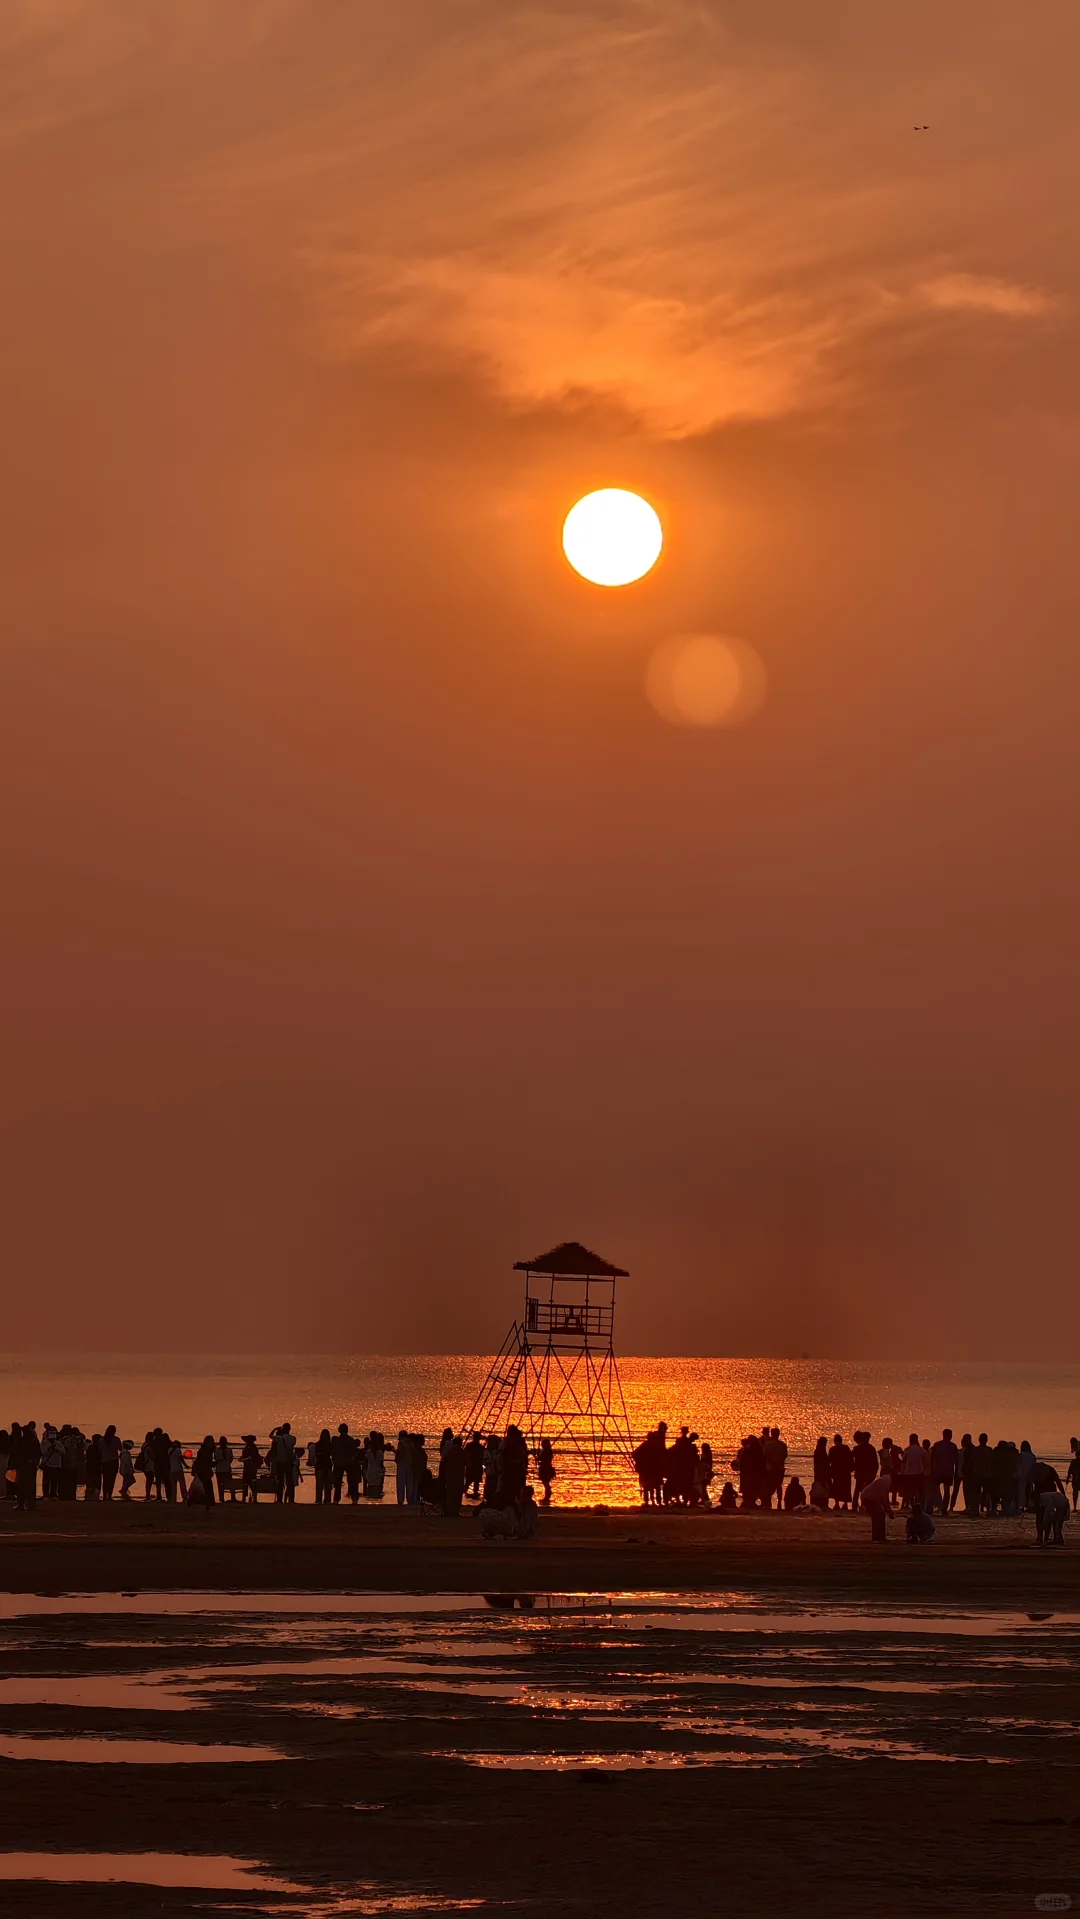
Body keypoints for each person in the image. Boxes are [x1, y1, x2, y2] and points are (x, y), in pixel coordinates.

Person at [931, 1429, 960, 1516]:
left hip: (938, 1471)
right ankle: (944, 1507)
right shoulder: (953, 1446)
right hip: (948, 1472)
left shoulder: (937, 1445)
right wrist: (957, 1471)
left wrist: (932, 1470)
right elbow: (956, 1461)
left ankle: (940, 1505)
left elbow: (932, 1459)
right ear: (949, 1435)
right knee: (947, 1491)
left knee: (936, 1490)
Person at [13, 1421, 40, 1512]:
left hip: (24, 1466)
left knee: (22, 1485)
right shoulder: (34, 1440)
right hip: (32, 1466)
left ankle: (21, 1503)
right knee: (31, 1486)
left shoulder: (23, 1441)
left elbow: (19, 1453)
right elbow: (39, 1453)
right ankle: (31, 1504)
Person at [860, 1470, 893, 1543]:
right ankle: (877, 1537)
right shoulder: (886, 1483)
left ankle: (879, 1536)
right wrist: (889, 1510)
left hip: (867, 1496)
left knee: (879, 1515)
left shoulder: (885, 1480)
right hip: (867, 1497)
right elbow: (885, 1499)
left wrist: (887, 1509)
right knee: (878, 1515)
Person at [268, 1424, 296, 1504]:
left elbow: (270, 1436)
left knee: (280, 1482)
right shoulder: (293, 1439)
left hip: (280, 1462)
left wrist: (274, 1429)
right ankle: (291, 1500)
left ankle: (279, 1499)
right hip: (289, 1463)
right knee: (289, 1482)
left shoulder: (279, 1439)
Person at [440, 1435, 466, 1517]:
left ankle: (450, 1511)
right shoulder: (462, 1452)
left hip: (450, 1476)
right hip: (459, 1476)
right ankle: (456, 1512)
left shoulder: (450, 1453)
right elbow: (467, 1462)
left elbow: (445, 1462)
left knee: (450, 1494)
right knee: (458, 1495)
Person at [828, 1433, 855, 1512]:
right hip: (845, 1472)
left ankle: (837, 1504)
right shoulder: (845, 1448)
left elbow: (829, 1461)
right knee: (845, 1487)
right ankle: (845, 1504)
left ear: (835, 1441)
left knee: (837, 1487)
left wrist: (830, 1471)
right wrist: (851, 1469)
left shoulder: (832, 1449)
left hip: (837, 1472)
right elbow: (851, 1459)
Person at [762, 1429, 788, 1510]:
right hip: (779, 1468)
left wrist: (772, 1463)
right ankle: (779, 1502)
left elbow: (765, 1455)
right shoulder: (782, 1445)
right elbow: (785, 1456)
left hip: (770, 1468)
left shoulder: (767, 1444)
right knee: (778, 1485)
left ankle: (768, 1502)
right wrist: (778, 1463)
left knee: (769, 1485)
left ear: (772, 1434)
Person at [852, 1432, 878, 1512]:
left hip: (860, 1472)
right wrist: (874, 1473)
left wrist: (853, 1468)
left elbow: (850, 1457)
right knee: (866, 1490)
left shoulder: (857, 1448)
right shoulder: (871, 1448)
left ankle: (854, 1506)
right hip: (869, 1472)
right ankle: (864, 1505)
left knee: (857, 1489)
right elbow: (875, 1463)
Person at [331, 1424, 355, 1505]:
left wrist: (335, 1461)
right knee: (351, 1481)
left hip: (340, 1462)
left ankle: (336, 1500)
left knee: (338, 1483)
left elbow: (333, 1452)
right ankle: (354, 1498)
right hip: (348, 1462)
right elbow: (353, 1452)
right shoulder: (350, 1440)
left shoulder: (337, 1441)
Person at [900, 1433, 925, 1510]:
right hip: (918, 1472)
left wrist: (902, 1472)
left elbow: (904, 1461)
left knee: (910, 1491)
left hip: (909, 1473)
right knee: (919, 1491)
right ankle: (920, 1505)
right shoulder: (921, 1449)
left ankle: (912, 1505)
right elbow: (924, 1459)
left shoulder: (907, 1449)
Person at [972, 1433, 994, 1515]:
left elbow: (971, 1461)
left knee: (977, 1493)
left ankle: (976, 1510)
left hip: (977, 1473)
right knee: (986, 1493)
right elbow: (993, 1462)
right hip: (987, 1474)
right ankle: (988, 1509)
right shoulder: (990, 1450)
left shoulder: (975, 1450)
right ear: (987, 1440)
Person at [363, 1432, 386, 1499]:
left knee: (370, 1484)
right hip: (377, 1469)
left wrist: (365, 1469)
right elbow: (381, 1463)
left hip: (370, 1469)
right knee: (377, 1484)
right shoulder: (379, 1452)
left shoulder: (368, 1452)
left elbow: (366, 1461)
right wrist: (383, 1470)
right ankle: (376, 1495)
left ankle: (370, 1496)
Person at [463, 1432, 484, 1500]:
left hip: (472, 1466)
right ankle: (474, 1494)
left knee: (468, 1483)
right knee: (475, 1482)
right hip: (476, 1467)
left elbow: (465, 1453)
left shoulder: (469, 1446)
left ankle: (463, 1493)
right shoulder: (481, 1447)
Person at [214, 1437, 236, 1502]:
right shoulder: (217, 1450)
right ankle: (221, 1498)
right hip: (220, 1470)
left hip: (226, 1469)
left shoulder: (229, 1450)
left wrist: (227, 1462)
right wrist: (220, 1459)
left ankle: (233, 1497)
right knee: (220, 1485)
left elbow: (231, 1459)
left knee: (230, 1484)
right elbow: (215, 1459)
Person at [1017, 1440, 1037, 1513]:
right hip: (1030, 1474)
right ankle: (1029, 1504)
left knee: (1021, 1490)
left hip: (1022, 1474)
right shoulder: (1032, 1456)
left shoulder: (1020, 1455)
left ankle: (1021, 1505)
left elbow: (1018, 1465)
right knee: (1029, 1490)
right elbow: (1034, 1466)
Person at [241, 1435, 262, 1503]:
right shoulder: (252, 1447)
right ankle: (251, 1497)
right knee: (249, 1483)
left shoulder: (250, 1448)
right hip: (250, 1468)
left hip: (249, 1468)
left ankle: (249, 1497)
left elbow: (252, 1457)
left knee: (248, 1483)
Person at [168, 1437, 188, 1503]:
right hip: (179, 1469)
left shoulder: (169, 1450)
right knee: (182, 1484)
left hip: (172, 1470)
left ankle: (173, 1498)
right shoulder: (178, 1450)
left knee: (173, 1485)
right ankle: (184, 1497)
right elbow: (181, 1459)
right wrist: (186, 1466)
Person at [536, 1438, 555, 1506]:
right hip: (546, 1468)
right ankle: (547, 1495)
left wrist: (537, 1456)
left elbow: (542, 1459)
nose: (541, 1445)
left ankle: (547, 1495)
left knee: (545, 1482)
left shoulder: (546, 1451)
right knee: (545, 1482)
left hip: (546, 1468)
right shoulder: (548, 1451)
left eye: (543, 1444)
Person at [84, 1434, 103, 1502]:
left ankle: (89, 1496)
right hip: (96, 1467)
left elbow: (87, 1457)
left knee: (90, 1482)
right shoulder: (99, 1448)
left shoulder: (90, 1448)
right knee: (96, 1482)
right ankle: (95, 1496)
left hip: (89, 1467)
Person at [136, 1433, 155, 1501]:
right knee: (150, 1480)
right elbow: (152, 1457)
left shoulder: (144, 1445)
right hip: (149, 1465)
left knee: (148, 1480)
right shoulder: (149, 1446)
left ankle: (147, 1494)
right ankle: (147, 1495)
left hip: (145, 1464)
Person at [395, 1430, 412, 1506]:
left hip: (402, 1464)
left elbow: (399, 1454)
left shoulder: (401, 1443)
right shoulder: (411, 1444)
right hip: (410, 1464)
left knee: (401, 1483)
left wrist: (396, 1459)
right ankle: (410, 1499)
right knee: (409, 1483)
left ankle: (400, 1500)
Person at [1067, 1438, 1080, 1512]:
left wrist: (1068, 1479)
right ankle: (1075, 1507)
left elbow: (1070, 1471)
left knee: (1075, 1494)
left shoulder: (1074, 1461)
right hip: (1077, 1478)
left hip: (1076, 1478)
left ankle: (1075, 1508)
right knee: (1075, 1493)